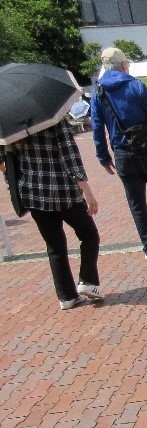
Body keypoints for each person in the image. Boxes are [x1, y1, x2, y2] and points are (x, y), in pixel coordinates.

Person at [91, 47, 147, 263]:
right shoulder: (135, 86)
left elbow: (97, 127)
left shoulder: (98, 92)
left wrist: (103, 156)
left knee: (137, 204)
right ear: (123, 65)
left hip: (122, 154)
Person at [3, 120, 103, 310]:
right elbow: (70, 158)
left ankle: (66, 296)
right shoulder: (54, 121)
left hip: (33, 193)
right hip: (63, 191)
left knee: (55, 246)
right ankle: (88, 281)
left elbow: (7, 162)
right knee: (89, 234)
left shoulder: (13, 126)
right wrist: (88, 193)